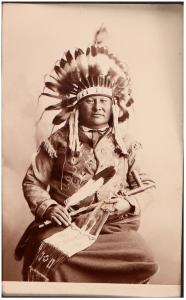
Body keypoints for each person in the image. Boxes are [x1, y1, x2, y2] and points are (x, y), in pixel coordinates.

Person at [15, 27, 159, 283]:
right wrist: (48, 208)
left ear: (113, 107)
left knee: (142, 257)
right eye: (91, 101)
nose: (98, 107)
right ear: (78, 105)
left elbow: (147, 186)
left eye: (104, 101)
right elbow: (33, 182)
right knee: (46, 252)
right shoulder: (58, 140)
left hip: (113, 230)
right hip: (65, 226)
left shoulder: (126, 144)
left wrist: (125, 204)